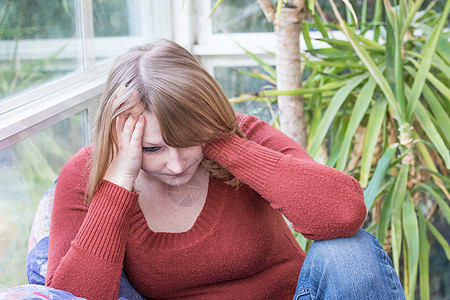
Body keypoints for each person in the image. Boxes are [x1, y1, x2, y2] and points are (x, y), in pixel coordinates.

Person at [43, 39, 406, 300]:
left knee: (349, 254)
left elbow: (343, 213)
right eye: (152, 148)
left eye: (187, 141)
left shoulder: (243, 136)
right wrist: (119, 182)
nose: (176, 163)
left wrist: (221, 141)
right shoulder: (86, 175)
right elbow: (69, 297)